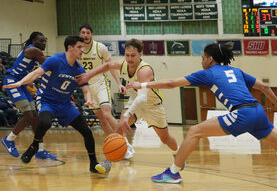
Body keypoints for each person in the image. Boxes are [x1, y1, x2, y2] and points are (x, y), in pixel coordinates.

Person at [126, 42, 277, 184]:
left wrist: (142, 85)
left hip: (242, 114)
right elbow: (264, 87)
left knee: (194, 131)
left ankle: (173, 172)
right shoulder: (236, 71)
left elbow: (172, 83)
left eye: (202, 58)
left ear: (210, 59)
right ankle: (173, 171)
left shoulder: (208, 73)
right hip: (258, 111)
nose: (201, 62)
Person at [3, 36, 110, 175]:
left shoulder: (79, 69)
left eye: (83, 48)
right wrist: (20, 83)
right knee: (44, 122)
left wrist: (88, 99)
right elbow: (35, 73)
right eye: (79, 47)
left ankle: (93, 163)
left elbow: (86, 89)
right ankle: (35, 146)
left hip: (65, 104)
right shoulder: (55, 60)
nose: (82, 50)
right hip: (47, 100)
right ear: (70, 47)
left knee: (87, 132)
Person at [76, 38, 179, 157]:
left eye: (133, 55)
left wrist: (126, 114)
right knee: (119, 128)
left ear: (140, 54)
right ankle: (111, 158)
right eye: (127, 55)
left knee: (165, 139)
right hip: (135, 100)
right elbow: (108, 65)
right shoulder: (123, 64)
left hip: (152, 105)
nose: (129, 59)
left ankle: (178, 151)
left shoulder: (144, 70)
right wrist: (88, 76)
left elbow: (142, 99)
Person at [78, 23, 134, 159]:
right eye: (83, 33)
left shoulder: (100, 48)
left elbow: (111, 66)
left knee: (107, 114)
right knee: (102, 121)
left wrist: (119, 83)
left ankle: (124, 142)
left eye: (88, 33)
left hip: (100, 84)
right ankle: (115, 146)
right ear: (80, 34)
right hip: (87, 88)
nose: (85, 35)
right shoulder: (77, 49)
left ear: (91, 35)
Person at [1, 32, 56, 160]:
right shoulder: (33, 50)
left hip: (23, 85)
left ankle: (40, 150)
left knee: (35, 117)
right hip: (13, 82)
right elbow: (48, 64)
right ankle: (9, 139)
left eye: (44, 41)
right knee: (29, 115)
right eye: (40, 41)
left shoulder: (35, 52)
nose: (43, 43)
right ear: (33, 40)